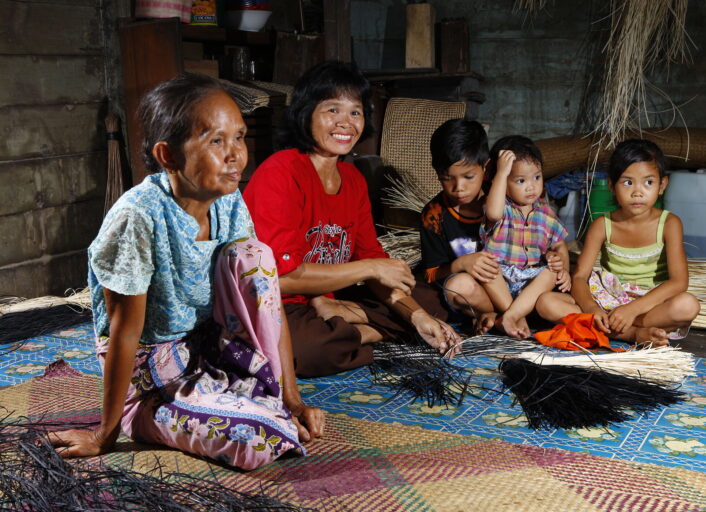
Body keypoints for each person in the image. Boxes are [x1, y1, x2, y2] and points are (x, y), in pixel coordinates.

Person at [47, 73, 324, 471]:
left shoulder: (230, 202)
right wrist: (103, 436)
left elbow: (267, 300)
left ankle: (256, 400)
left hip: (208, 350)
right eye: (215, 141)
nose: (235, 155)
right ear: (168, 156)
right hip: (153, 379)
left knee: (256, 257)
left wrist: (292, 400)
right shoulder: (138, 217)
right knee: (258, 439)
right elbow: (124, 331)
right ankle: (139, 417)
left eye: (240, 137)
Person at [242, 60, 459, 377]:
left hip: (328, 298)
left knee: (433, 303)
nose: (345, 123)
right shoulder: (282, 171)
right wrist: (372, 269)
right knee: (308, 348)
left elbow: (371, 257)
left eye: (355, 112)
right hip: (276, 304)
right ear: (307, 113)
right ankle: (369, 332)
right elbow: (280, 277)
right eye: (332, 110)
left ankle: (347, 319)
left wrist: (417, 317)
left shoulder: (353, 179)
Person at [570, 139, 700, 346]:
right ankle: (633, 334)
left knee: (687, 305)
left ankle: (614, 328)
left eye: (648, 182)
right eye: (628, 182)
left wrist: (632, 310)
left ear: (662, 185)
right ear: (612, 186)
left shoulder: (669, 223)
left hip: (649, 304)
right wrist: (593, 310)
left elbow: (679, 282)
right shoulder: (603, 225)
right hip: (607, 300)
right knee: (548, 303)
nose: (637, 192)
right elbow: (579, 276)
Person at [480, 136, 580, 338]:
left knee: (549, 273)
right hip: (501, 282)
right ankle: (514, 314)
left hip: (529, 282)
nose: (531, 186)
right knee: (487, 267)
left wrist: (565, 271)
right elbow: (493, 214)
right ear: (501, 181)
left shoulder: (545, 213)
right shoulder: (500, 206)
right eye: (520, 180)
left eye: (537, 177)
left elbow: (560, 246)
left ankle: (511, 315)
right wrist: (501, 173)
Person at [419, 118, 499, 334]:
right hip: (472, 297)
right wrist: (461, 264)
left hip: (509, 284)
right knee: (459, 286)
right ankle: (491, 316)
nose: (458, 188)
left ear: (486, 167)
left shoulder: (501, 199)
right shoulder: (433, 215)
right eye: (446, 178)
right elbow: (429, 275)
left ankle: (505, 315)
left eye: (469, 176)